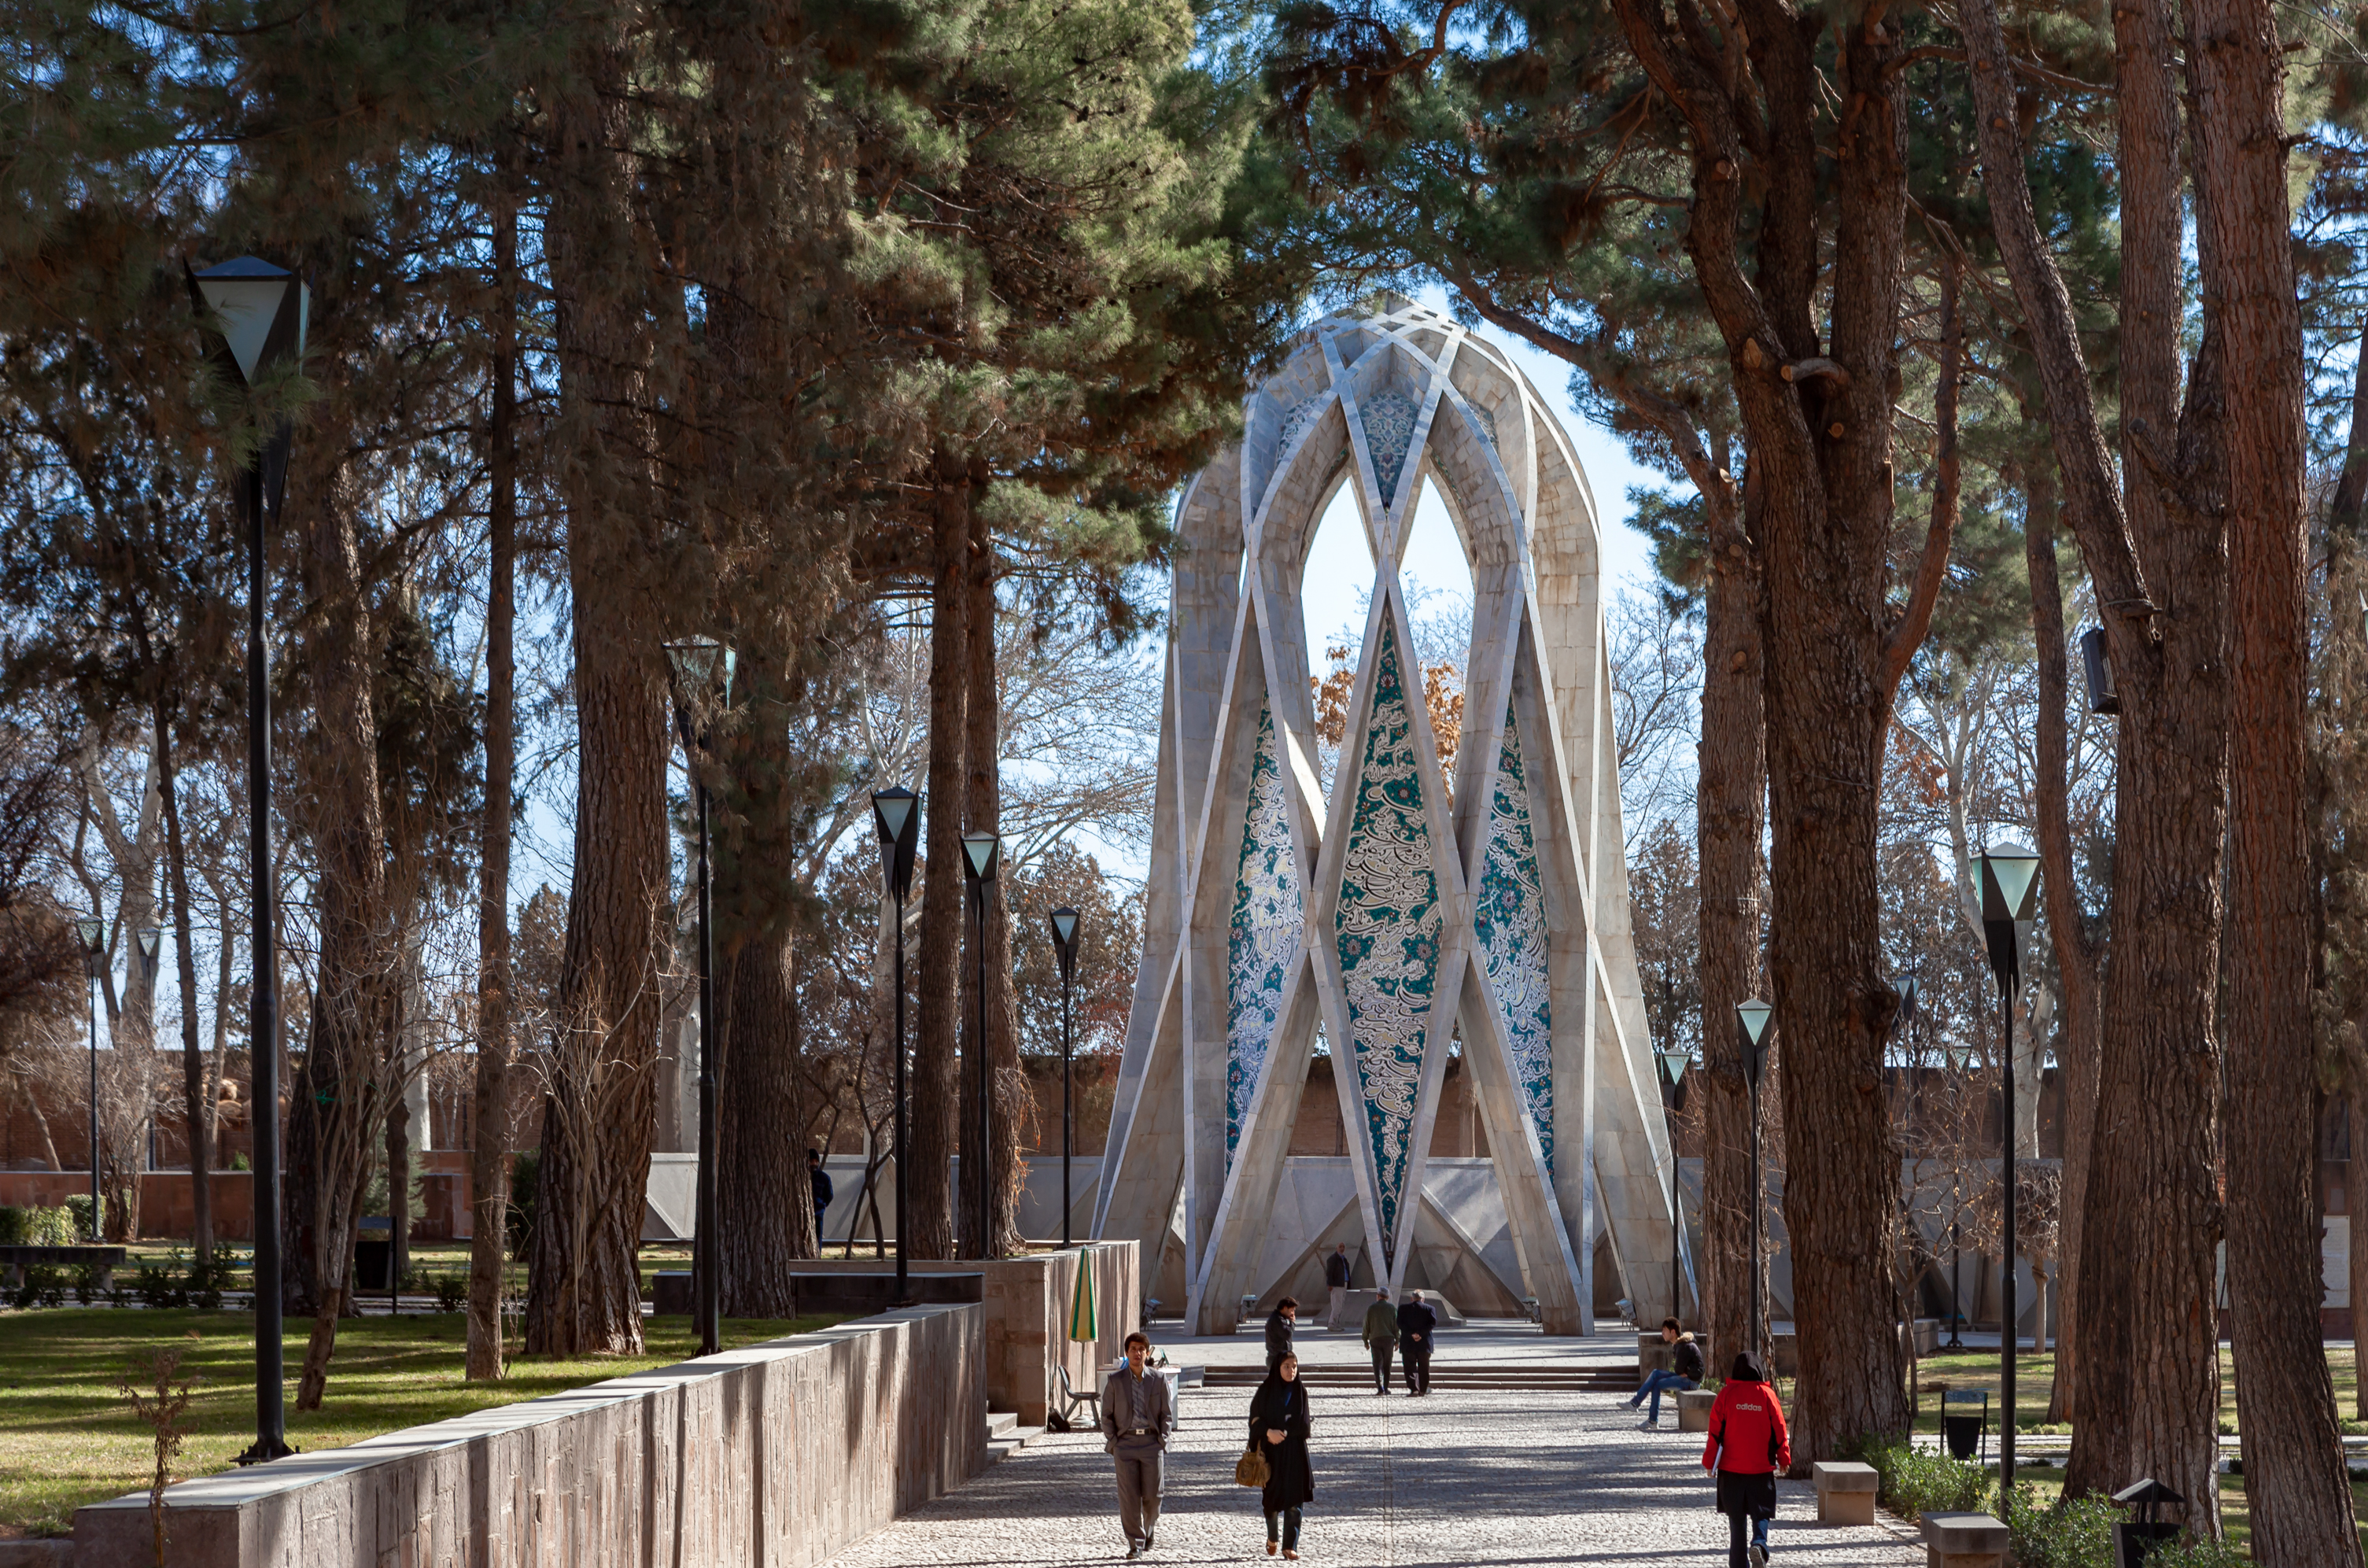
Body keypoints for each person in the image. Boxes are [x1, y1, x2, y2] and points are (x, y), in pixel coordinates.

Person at [1702, 1351, 1790, 1568]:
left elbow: (1714, 1432)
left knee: (1737, 1521)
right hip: (1761, 1468)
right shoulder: (1767, 1395)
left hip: (1730, 1471)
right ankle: (1759, 1544)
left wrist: (1709, 1463)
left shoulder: (1726, 1395)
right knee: (1761, 1513)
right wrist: (1784, 1458)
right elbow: (1780, 1429)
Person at [1101, 1330, 1175, 1559]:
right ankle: (1136, 1544)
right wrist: (1114, 1442)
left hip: (1152, 1443)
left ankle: (1149, 1529)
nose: (1137, 1353)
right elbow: (1106, 1416)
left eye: (1141, 1349)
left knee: (1154, 1496)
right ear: (1127, 1353)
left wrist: (1163, 1439)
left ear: (1147, 1352)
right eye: (1133, 1349)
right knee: (1129, 1497)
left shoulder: (1158, 1379)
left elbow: (1167, 1414)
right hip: (1125, 1445)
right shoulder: (1115, 1381)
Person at [1249, 1352, 1315, 1560]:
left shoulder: (1300, 1391)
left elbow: (1304, 1426)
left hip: (1294, 1452)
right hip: (1272, 1454)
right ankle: (1272, 1537)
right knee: (1271, 1502)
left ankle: (1290, 1546)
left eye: (1294, 1366)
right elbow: (1254, 1421)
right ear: (1278, 1367)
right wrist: (1269, 1432)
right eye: (1286, 1366)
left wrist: (1285, 1432)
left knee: (1295, 1501)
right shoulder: (1265, 1391)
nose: (1291, 1371)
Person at [1626, 1317, 1704, 1428]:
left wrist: (1686, 1372)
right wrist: (1683, 1371)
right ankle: (1635, 1404)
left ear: (1673, 1332)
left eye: (1664, 1330)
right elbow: (1679, 1370)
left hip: (1692, 1382)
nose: (1662, 1333)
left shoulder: (1684, 1346)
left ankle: (1652, 1420)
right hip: (1686, 1377)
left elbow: (1679, 1370)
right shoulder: (1680, 1344)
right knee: (1655, 1373)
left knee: (1657, 1384)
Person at [1396, 1289, 1437, 1396]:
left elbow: (1400, 1323)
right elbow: (1432, 1323)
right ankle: (1423, 1389)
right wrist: (1420, 1334)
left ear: (1412, 1299)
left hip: (1408, 1342)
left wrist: (1412, 1334)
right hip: (1424, 1343)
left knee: (1409, 1367)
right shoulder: (1430, 1309)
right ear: (1423, 1299)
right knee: (1424, 1367)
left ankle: (1413, 1388)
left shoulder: (1403, 1309)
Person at [1360, 1286, 1400, 1395]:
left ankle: (1379, 1388)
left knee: (1376, 1364)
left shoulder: (1371, 1308)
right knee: (1387, 1364)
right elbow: (1396, 1326)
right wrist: (1397, 1340)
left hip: (1375, 1339)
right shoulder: (1392, 1308)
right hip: (1388, 1340)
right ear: (1387, 1297)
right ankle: (1386, 1387)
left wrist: (1365, 1340)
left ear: (1378, 1296)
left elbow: (1366, 1325)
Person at [807, 1149, 834, 1249]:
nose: (813, 1164)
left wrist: (822, 1205)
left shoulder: (824, 1178)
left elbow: (829, 1195)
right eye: (811, 1161)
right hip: (803, 1212)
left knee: (818, 1237)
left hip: (818, 1212)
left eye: (815, 1161)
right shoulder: (803, 1176)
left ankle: (817, 1255)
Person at [1264, 1297, 1298, 1374]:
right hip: (1277, 1357)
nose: (1293, 1313)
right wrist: (1292, 1323)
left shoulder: (1280, 1318)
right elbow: (1287, 1334)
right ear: (1285, 1308)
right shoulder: (1277, 1319)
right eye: (1292, 1310)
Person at [1323, 1244, 1352, 1329]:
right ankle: (1332, 1324)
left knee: (1340, 1305)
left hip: (1344, 1283)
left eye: (1343, 1247)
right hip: (1337, 1284)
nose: (1342, 1248)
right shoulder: (1333, 1259)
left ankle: (1336, 1323)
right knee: (1337, 1305)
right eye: (1340, 1247)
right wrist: (1330, 1284)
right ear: (1336, 1248)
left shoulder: (1344, 1259)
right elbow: (1329, 1272)